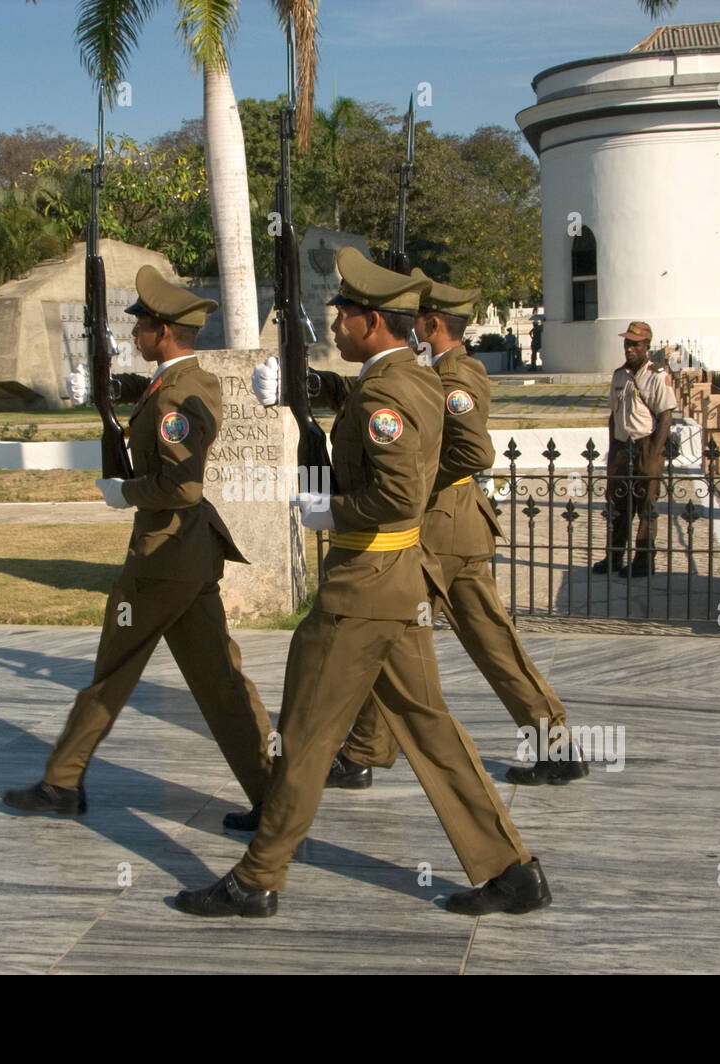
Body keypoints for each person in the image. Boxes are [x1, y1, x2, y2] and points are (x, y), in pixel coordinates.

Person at [173, 247, 550, 919]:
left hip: (361, 591)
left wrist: (328, 508)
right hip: (396, 584)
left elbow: (400, 494)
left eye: (341, 314)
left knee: (307, 731)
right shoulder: (411, 376)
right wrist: (305, 390)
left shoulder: (389, 392)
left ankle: (258, 877)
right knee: (429, 729)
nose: (335, 324)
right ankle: (511, 870)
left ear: (371, 320)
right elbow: (376, 422)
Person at [2, 265, 273, 819]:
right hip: (190, 558)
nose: (134, 334)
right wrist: (120, 393)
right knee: (221, 683)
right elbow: (162, 424)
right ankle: (274, 798)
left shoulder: (177, 394)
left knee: (114, 670)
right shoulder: (186, 382)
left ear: (165, 331)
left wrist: (124, 492)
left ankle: (62, 782)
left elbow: (181, 483)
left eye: (142, 324)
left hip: (162, 558)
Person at [310, 271, 585, 788]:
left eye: (413, 316)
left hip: (444, 532)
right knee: (448, 643)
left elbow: (474, 452)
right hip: (447, 533)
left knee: (402, 639)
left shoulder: (458, 374)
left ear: (430, 322)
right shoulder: (426, 371)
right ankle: (554, 745)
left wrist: (416, 479)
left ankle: (364, 754)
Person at [592, 320, 678, 579]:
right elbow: (612, 414)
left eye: (635, 344)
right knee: (618, 506)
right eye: (627, 343)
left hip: (645, 445)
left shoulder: (656, 375)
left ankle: (643, 560)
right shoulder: (619, 375)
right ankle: (614, 556)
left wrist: (654, 451)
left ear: (646, 347)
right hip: (621, 446)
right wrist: (612, 448)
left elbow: (665, 416)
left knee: (646, 507)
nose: (629, 348)